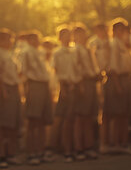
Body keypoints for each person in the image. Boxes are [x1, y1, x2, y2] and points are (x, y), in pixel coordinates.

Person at [20, 31, 54, 165]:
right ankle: (31, 153)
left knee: (42, 121)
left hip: (45, 85)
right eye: (33, 39)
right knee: (33, 121)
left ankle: (41, 151)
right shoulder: (26, 52)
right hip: (34, 85)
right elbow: (23, 71)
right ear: (28, 40)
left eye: (37, 39)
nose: (36, 41)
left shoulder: (40, 52)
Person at [0, 28, 22, 168]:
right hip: (7, 90)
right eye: (7, 39)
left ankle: (11, 154)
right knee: (5, 125)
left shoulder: (10, 54)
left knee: (13, 124)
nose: (10, 41)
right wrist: (3, 92)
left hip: (14, 89)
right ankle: (3, 155)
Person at [106, 19, 131, 154]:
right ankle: (116, 143)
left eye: (123, 29)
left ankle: (124, 143)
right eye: (118, 29)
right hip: (117, 80)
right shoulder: (114, 45)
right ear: (113, 31)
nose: (121, 32)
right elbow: (113, 68)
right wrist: (118, 85)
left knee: (124, 114)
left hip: (127, 78)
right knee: (117, 114)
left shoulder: (125, 45)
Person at [51, 25, 81, 162]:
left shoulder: (74, 51)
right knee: (65, 119)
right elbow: (57, 71)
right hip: (64, 87)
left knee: (73, 119)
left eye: (70, 34)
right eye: (65, 35)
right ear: (60, 38)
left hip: (74, 86)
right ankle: (65, 150)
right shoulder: (57, 53)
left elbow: (76, 70)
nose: (69, 37)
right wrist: (62, 88)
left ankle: (73, 148)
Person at [72, 23, 100, 161]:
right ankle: (79, 148)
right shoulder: (76, 49)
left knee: (89, 116)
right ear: (75, 36)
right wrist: (80, 85)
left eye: (83, 32)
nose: (82, 36)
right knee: (80, 117)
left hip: (91, 81)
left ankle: (88, 147)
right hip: (82, 83)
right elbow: (76, 68)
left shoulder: (88, 49)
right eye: (79, 33)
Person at [88, 22, 111, 155]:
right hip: (96, 80)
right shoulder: (92, 43)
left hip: (112, 78)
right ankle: (98, 142)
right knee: (97, 112)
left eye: (104, 29)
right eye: (99, 29)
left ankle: (109, 141)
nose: (102, 32)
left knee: (110, 111)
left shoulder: (112, 42)